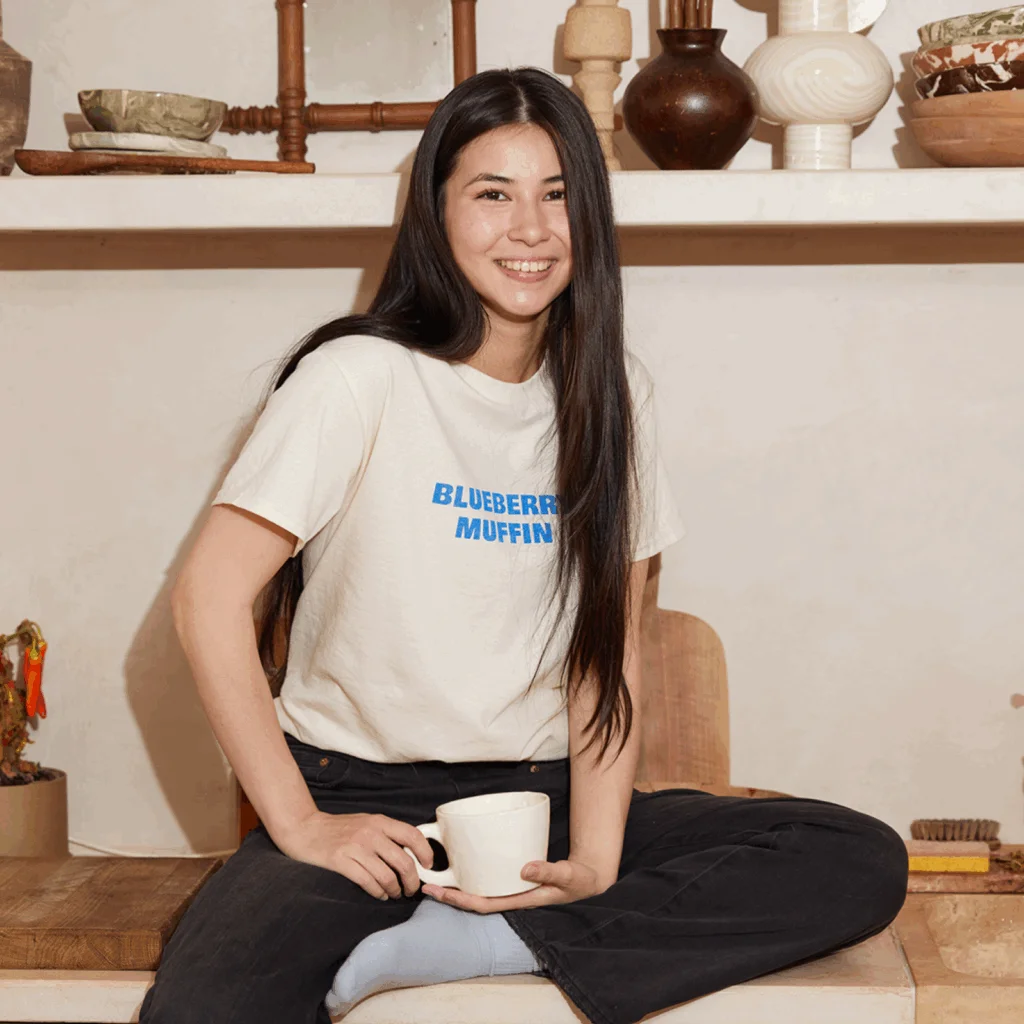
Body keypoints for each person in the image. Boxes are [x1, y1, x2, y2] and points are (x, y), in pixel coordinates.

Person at [141, 67, 908, 1024]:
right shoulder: (358, 378)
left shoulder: (613, 398)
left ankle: (481, 940)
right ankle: (443, 922)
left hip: (537, 800)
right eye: (492, 194)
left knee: (852, 857)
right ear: (436, 210)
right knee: (204, 1009)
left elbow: (607, 656)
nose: (531, 229)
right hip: (366, 801)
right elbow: (205, 601)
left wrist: (591, 856)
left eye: (556, 195)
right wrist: (300, 823)